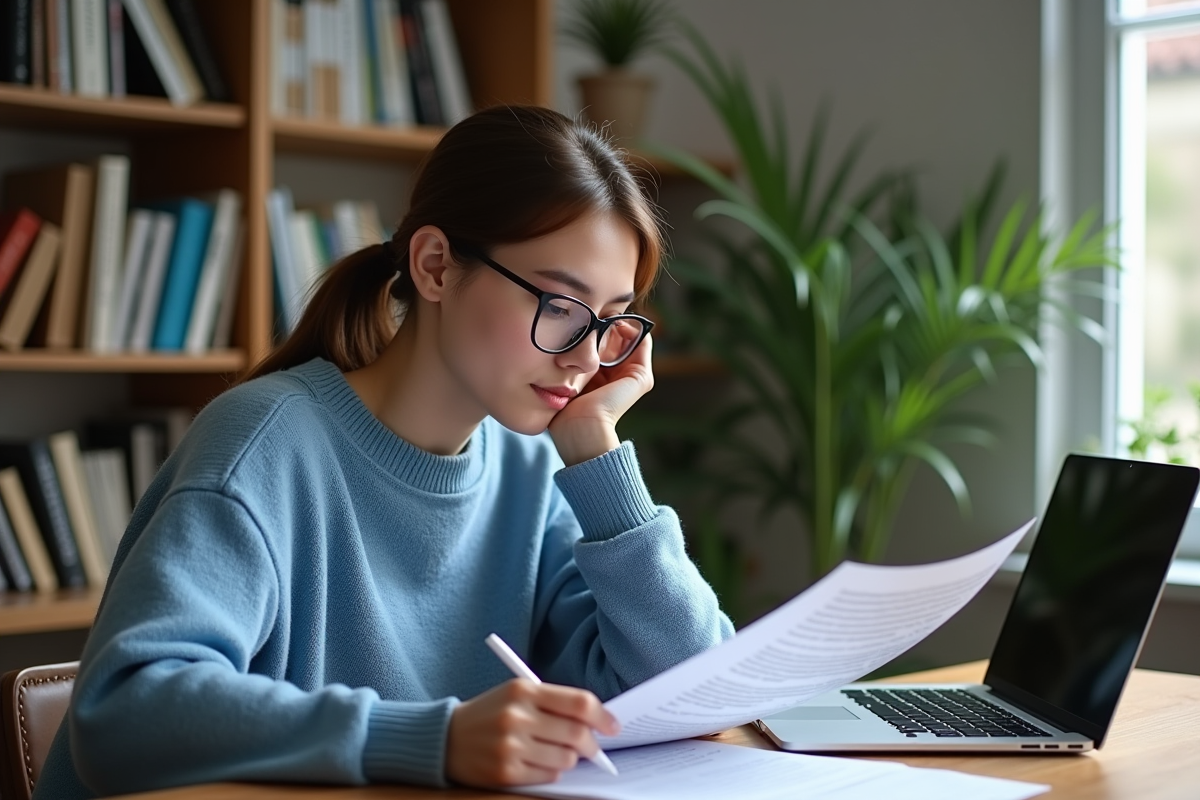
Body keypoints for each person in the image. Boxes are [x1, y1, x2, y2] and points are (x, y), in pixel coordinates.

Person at [34, 106, 733, 798]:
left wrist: (597, 455)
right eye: (559, 306)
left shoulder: (533, 465)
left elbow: (691, 689)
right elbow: (121, 714)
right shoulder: (265, 444)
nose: (585, 356)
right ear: (436, 267)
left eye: (610, 321)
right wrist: (434, 739)